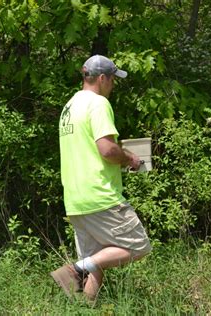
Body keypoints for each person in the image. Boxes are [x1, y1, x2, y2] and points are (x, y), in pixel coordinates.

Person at [51, 55, 152, 303]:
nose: (113, 86)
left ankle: (84, 308)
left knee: (95, 263)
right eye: (113, 80)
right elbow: (107, 149)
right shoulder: (97, 104)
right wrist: (130, 158)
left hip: (75, 198)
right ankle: (74, 269)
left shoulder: (69, 107)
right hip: (100, 196)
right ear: (102, 78)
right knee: (139, 246)